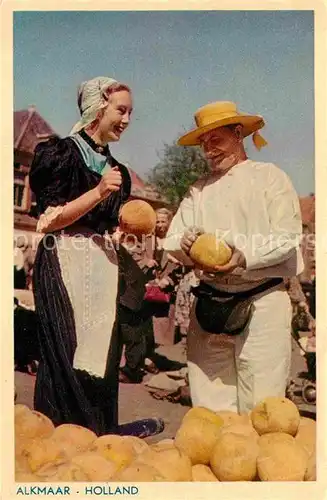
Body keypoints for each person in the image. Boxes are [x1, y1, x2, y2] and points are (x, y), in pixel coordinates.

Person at [163, 100, 304, 414]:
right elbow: (171, 239)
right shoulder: (197, 191)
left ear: (238, 133)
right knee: (209, 408)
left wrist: (244, 257)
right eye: (203, 143)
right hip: (210, 304)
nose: (209, 150)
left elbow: (288, 236)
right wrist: (185, 246)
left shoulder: (270, 178)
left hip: (262, 301)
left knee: (262, 408)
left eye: (216, 140)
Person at [29, 76, 134, 435]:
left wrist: (136, 226)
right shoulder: (60, 154)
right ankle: (57, 443)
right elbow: (50, 219)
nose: (127, 120)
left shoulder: (118, 170)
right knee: (65, 356)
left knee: (100, 358)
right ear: (98, 107)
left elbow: (109, 228)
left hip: (101, 269)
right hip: (62, 261)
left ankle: (96, 444)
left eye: (130, 112)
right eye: (121, 110)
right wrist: (99, 191)